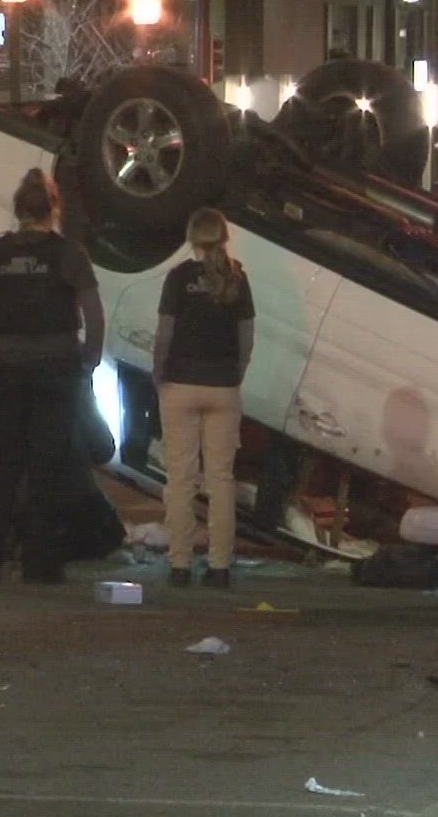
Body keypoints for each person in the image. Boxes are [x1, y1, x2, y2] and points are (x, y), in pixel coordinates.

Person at [0, 168, 104, 583]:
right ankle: (40, 559)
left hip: (8, 370)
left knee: (3, 463)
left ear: (17, 208)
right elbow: (94, 317)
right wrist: (86, 361)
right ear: (53, 208)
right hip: (56, 370)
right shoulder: (68, 255)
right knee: (48, 464)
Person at [154, 207, 255, 589]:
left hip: (180, 383)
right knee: (220, 479)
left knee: (180, 478)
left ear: (192, 239)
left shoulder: (179, 278)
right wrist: (236, 372)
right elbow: (246, 338)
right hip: (223, 386)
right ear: (224, 237)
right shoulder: (237, 278)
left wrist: (159, 373)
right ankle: (219, 566)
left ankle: (179, 564)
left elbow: (165, 334)